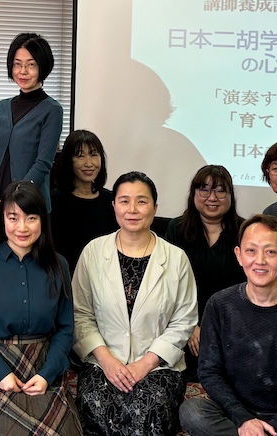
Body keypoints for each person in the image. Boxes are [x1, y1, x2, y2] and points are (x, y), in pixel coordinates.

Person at [179, 214, 277, 436]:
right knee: (192, 412)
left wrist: (276, 426)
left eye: (270, 252)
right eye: (251, 251)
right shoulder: (219, 305)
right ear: (239, 255)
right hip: (234, 414)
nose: (260, 260)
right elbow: (209, 371)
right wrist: (244, 420)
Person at [72, 171, 198, 436]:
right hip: (103, 361)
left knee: (150, 409)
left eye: (141, 201)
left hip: (158, 365)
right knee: (96, 405)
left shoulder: (176, 259)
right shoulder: (93, 252)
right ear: (114, 206)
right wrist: (107, 360)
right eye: (124, 201)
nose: (132, 209)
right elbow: (80, 313)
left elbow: (184, 321)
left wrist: (145, 364)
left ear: (155, 207)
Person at [0, 182, 80, 436]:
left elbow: (65, 328)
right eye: (13, 218)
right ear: (2, 219)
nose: (22, 227)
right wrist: (0, 373)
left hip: (43, 366)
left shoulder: (58, 264)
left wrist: (47, 374)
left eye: (31, 218)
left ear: (42, 220)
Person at [0, 33, 63, 246]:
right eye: (17, 64)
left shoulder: (52, 110)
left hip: (30, 204)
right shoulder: (2, 108)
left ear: (43, 67)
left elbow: (43, 163)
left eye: (31, 65)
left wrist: (12, 200)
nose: (22, 71)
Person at [165, 164, 245, 380]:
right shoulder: (177, 229)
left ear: (230, 196)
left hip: (232, 326)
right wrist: (191, 325)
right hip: (185, 323)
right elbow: (170, 286)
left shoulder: (244, 231)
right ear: (193, 193)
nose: (212, 197)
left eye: (220, 191)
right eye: (205, 190)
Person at [50, 129, 117, 273]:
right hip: (66, 277)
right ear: (69, 161)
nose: (89, 163)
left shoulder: (110, 200)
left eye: (94, 155)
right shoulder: (55, 200)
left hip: (103, 277)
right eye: (80, 156)